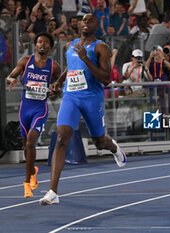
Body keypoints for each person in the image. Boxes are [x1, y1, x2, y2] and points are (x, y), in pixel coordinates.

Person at [39, 14, 126, 205]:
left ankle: (114, 148)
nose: (86, 22)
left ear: (97, 26)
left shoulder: (101, 47)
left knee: (99, 142)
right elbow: (71, 68)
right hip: (71, 97)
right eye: (83, 20)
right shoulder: (71, 46)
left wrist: (87, 59)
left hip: (91, 99)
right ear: (78, 24)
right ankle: (53, 191)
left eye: (91, 20)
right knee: (61, 138)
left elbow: (105, 79)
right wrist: (58, 83)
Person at [6, 32, 61, 198]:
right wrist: (12, 80)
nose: (42, 44)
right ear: (35, 45)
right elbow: (10, 76)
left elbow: (59, 87)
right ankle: (33, 172)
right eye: (39, 42)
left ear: (50, 47)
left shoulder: (54, 66)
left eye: (45, 42)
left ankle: (27, 182)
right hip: (25, 108)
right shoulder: (25, 61)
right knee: (26, 145)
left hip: (40, 109)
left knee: (31, 141)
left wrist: (55, 91)